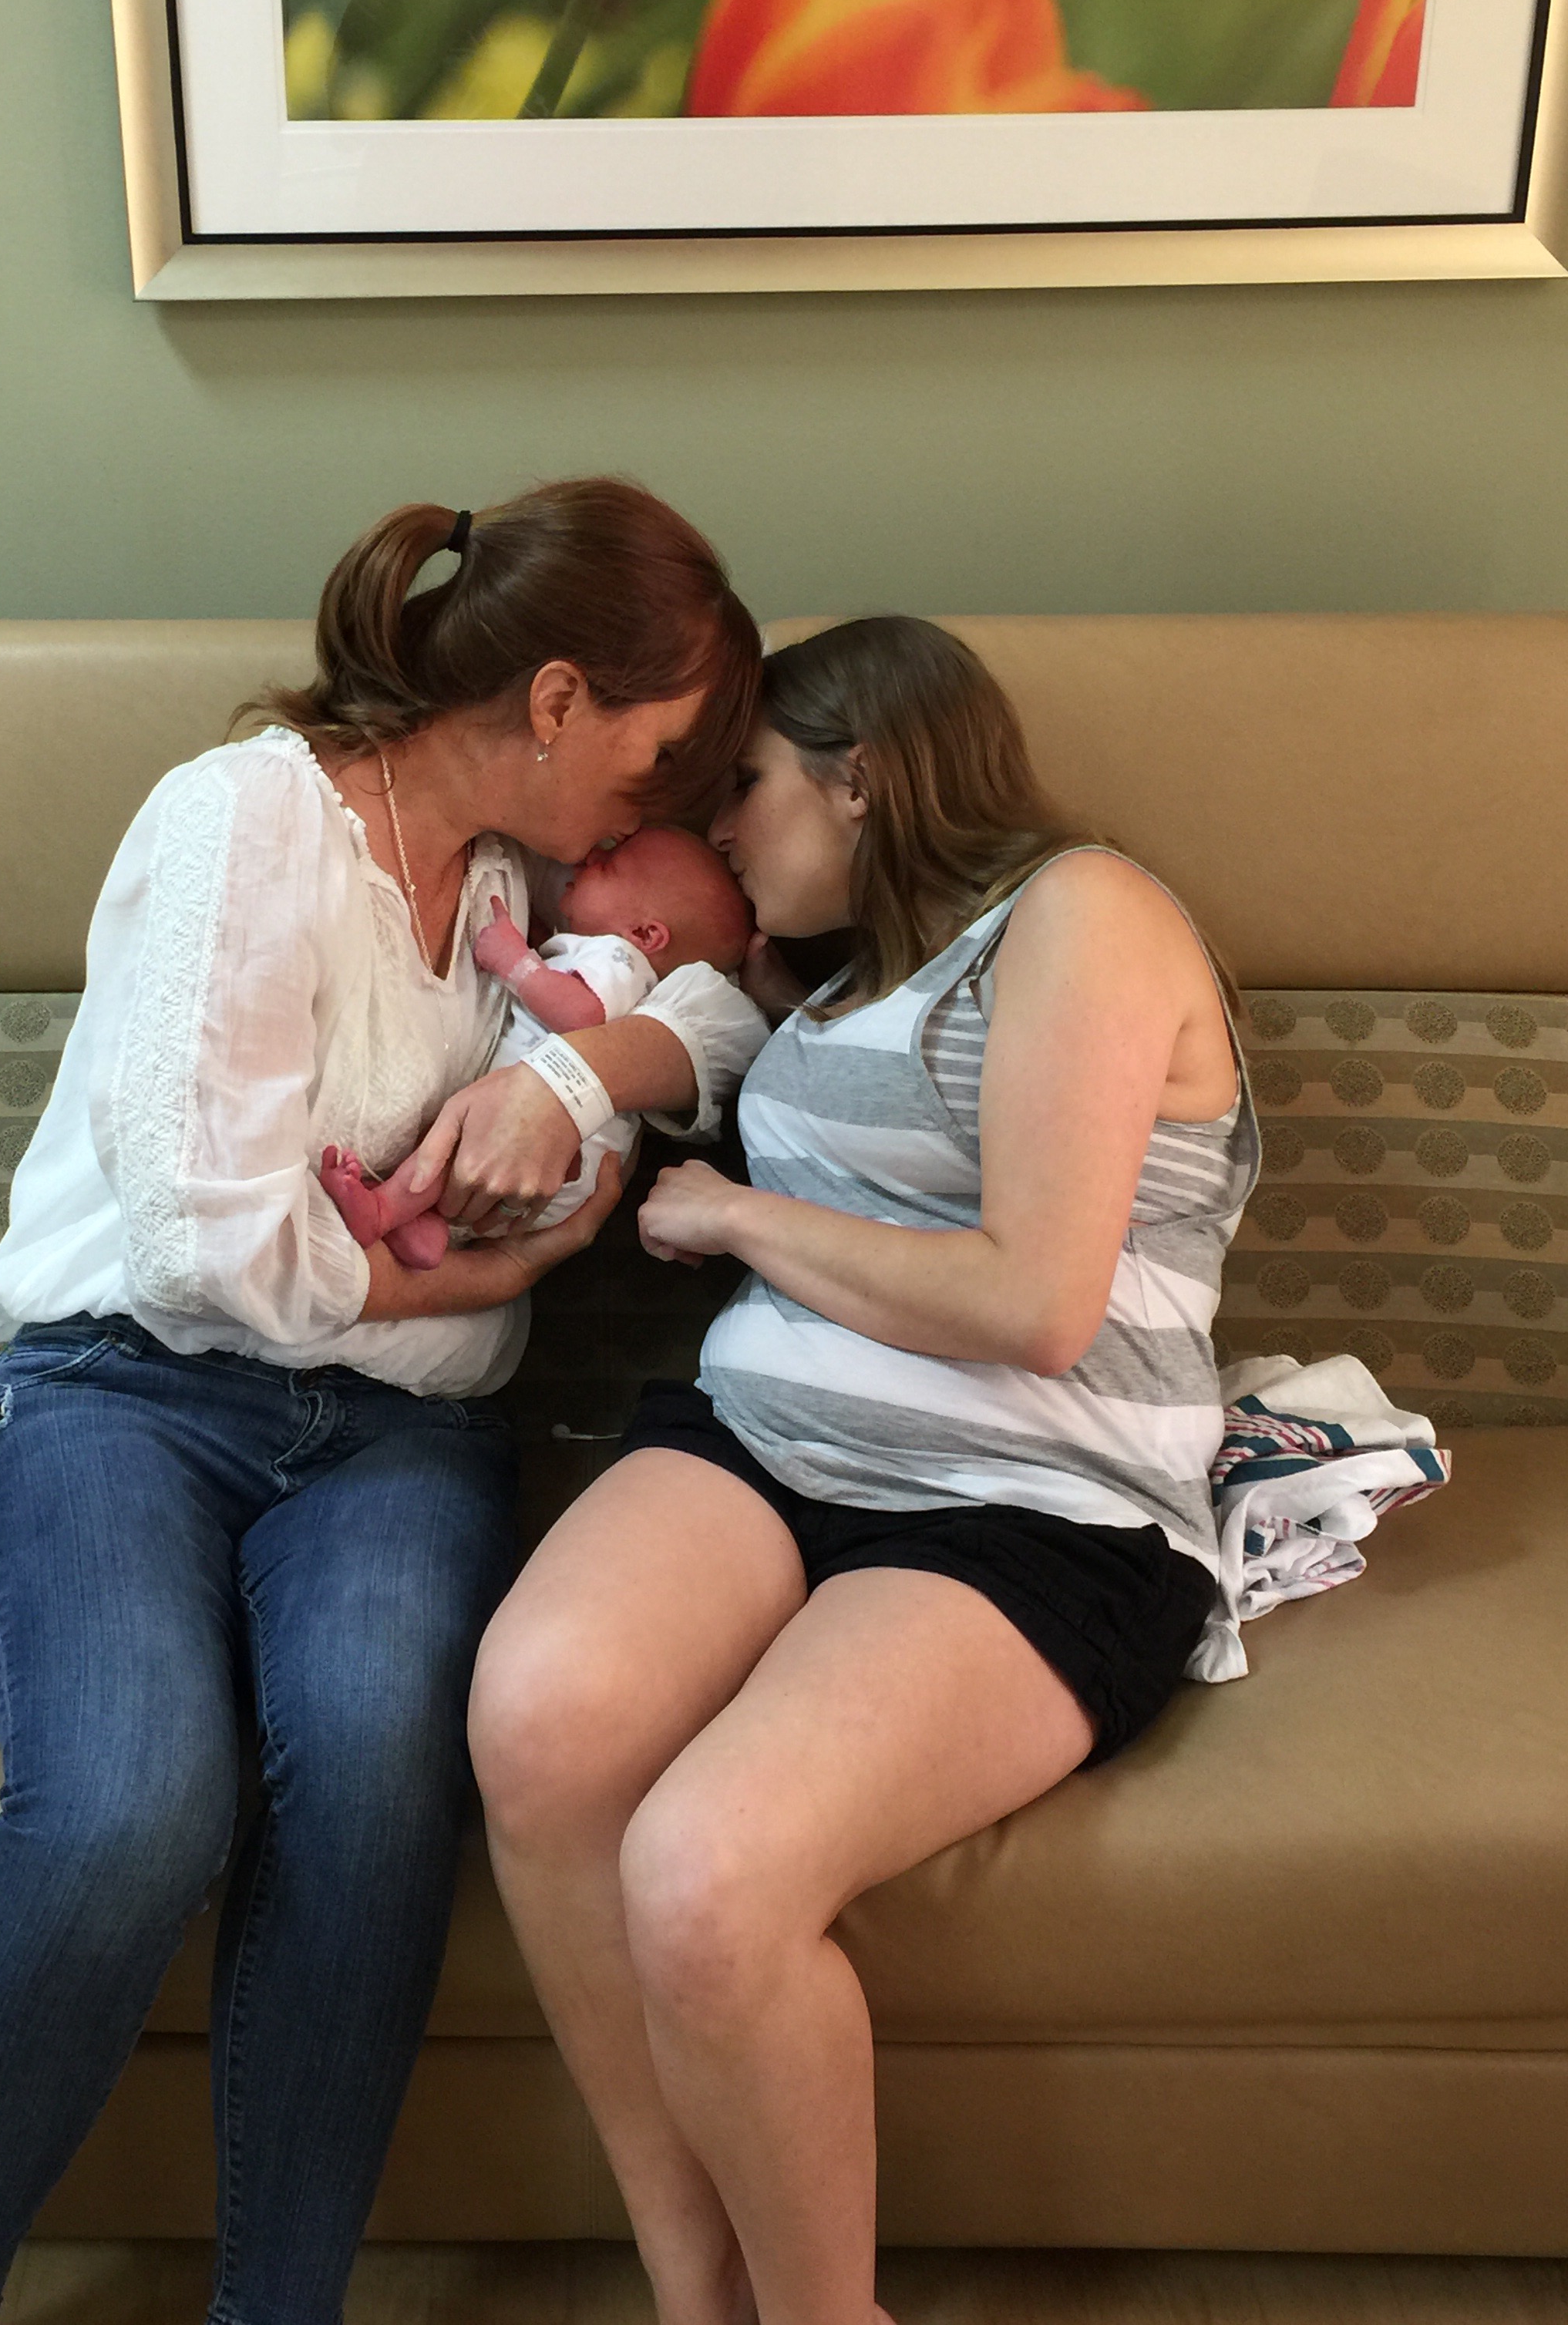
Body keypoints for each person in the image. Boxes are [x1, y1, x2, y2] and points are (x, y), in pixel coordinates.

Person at [0, 480, 765, 2325]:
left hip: (401, 1442)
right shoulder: (243, 822)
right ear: (555, 698)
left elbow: (726, 1014)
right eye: (660, 752)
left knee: (368, 1786)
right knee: (130, 1808)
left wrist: (576, 1076)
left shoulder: (526, 881)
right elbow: (201, 1250)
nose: (664, 807)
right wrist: (486, 1281)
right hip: (123, 1392)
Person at [468, 615, 1260, 2325]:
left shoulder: (1082, 911)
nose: (719, 828)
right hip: (766, 1438)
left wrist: (736, 1214)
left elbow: (1035, 1303)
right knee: (535, 1719)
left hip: (1029, 1503)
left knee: (705, 1876)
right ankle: (696, 2290)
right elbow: (666, 1010)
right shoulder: (828, 978)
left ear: (864, 775)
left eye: (745, 784)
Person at [320, 826, 760, 1267]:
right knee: (455, 1156)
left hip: (548, 1150)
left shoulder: (619, 959)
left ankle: (384, 1210)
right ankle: (430, 1230)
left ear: (645, 934)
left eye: (609, 864)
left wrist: (517, 962)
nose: (590, 857)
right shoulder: (609, 962)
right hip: (557, 1170)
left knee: (454, 1143)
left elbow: (581, 1016)